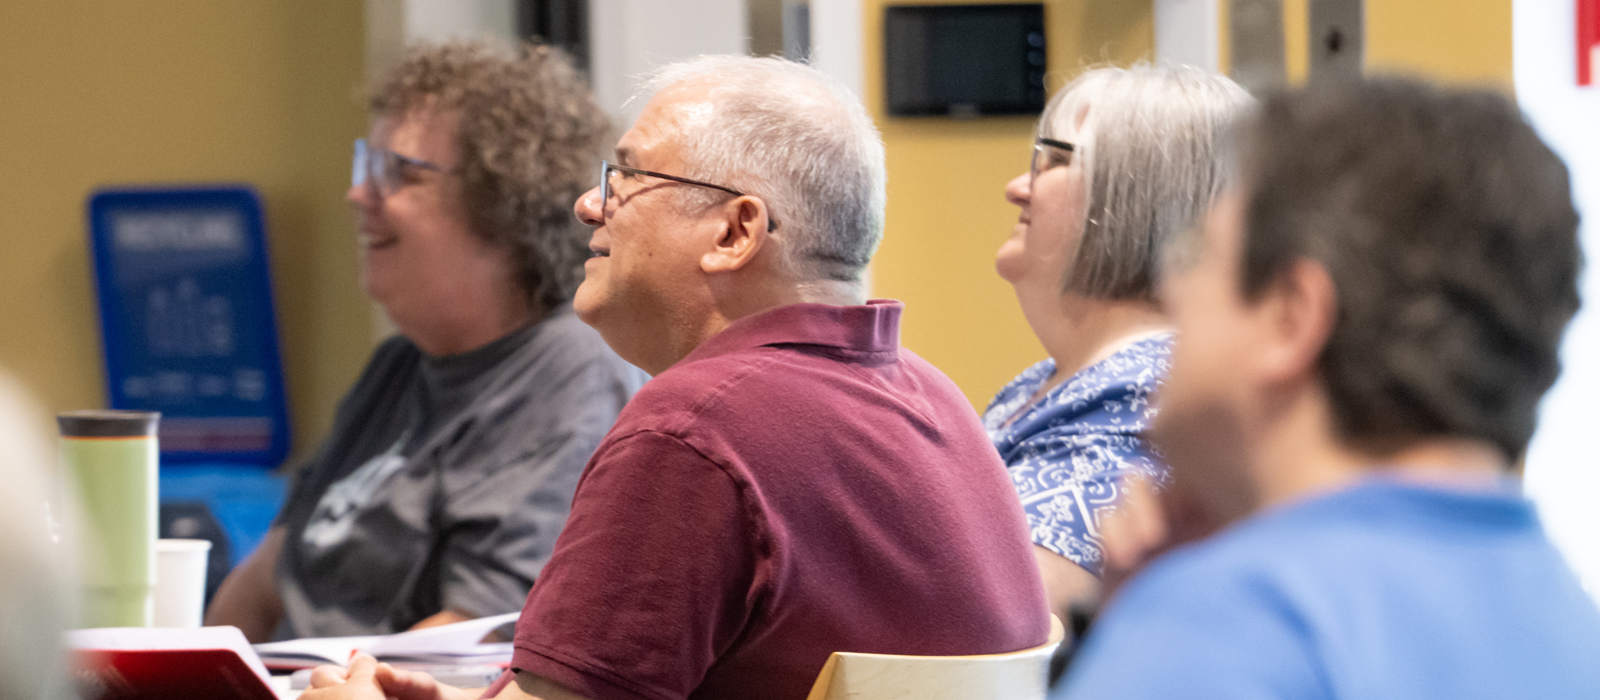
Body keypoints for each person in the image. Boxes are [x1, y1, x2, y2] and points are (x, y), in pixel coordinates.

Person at [303, 55, 1051, 700]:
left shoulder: (696, 429)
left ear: (733, 232)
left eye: (626, 176)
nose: (588, 203)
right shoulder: (937, 399)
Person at [1056, 78, 1600, 698]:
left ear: (1292, 317)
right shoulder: (1569, 624)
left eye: (1194, 256)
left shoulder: (1228, 628)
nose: (1172, 291)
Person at [205, 40, 647, 641]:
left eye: (396, 174)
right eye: (366, 167)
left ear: (505, 203)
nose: (358, 195)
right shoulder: (400, 365)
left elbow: (479, 636)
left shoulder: (571, 374)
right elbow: (255, 589)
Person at [984, 65, 1251, 626]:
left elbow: (1007, 629)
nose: (1017, 186)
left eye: (1055, 159)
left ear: (1141, 196)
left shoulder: (1151, 402)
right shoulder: (1038, 388)